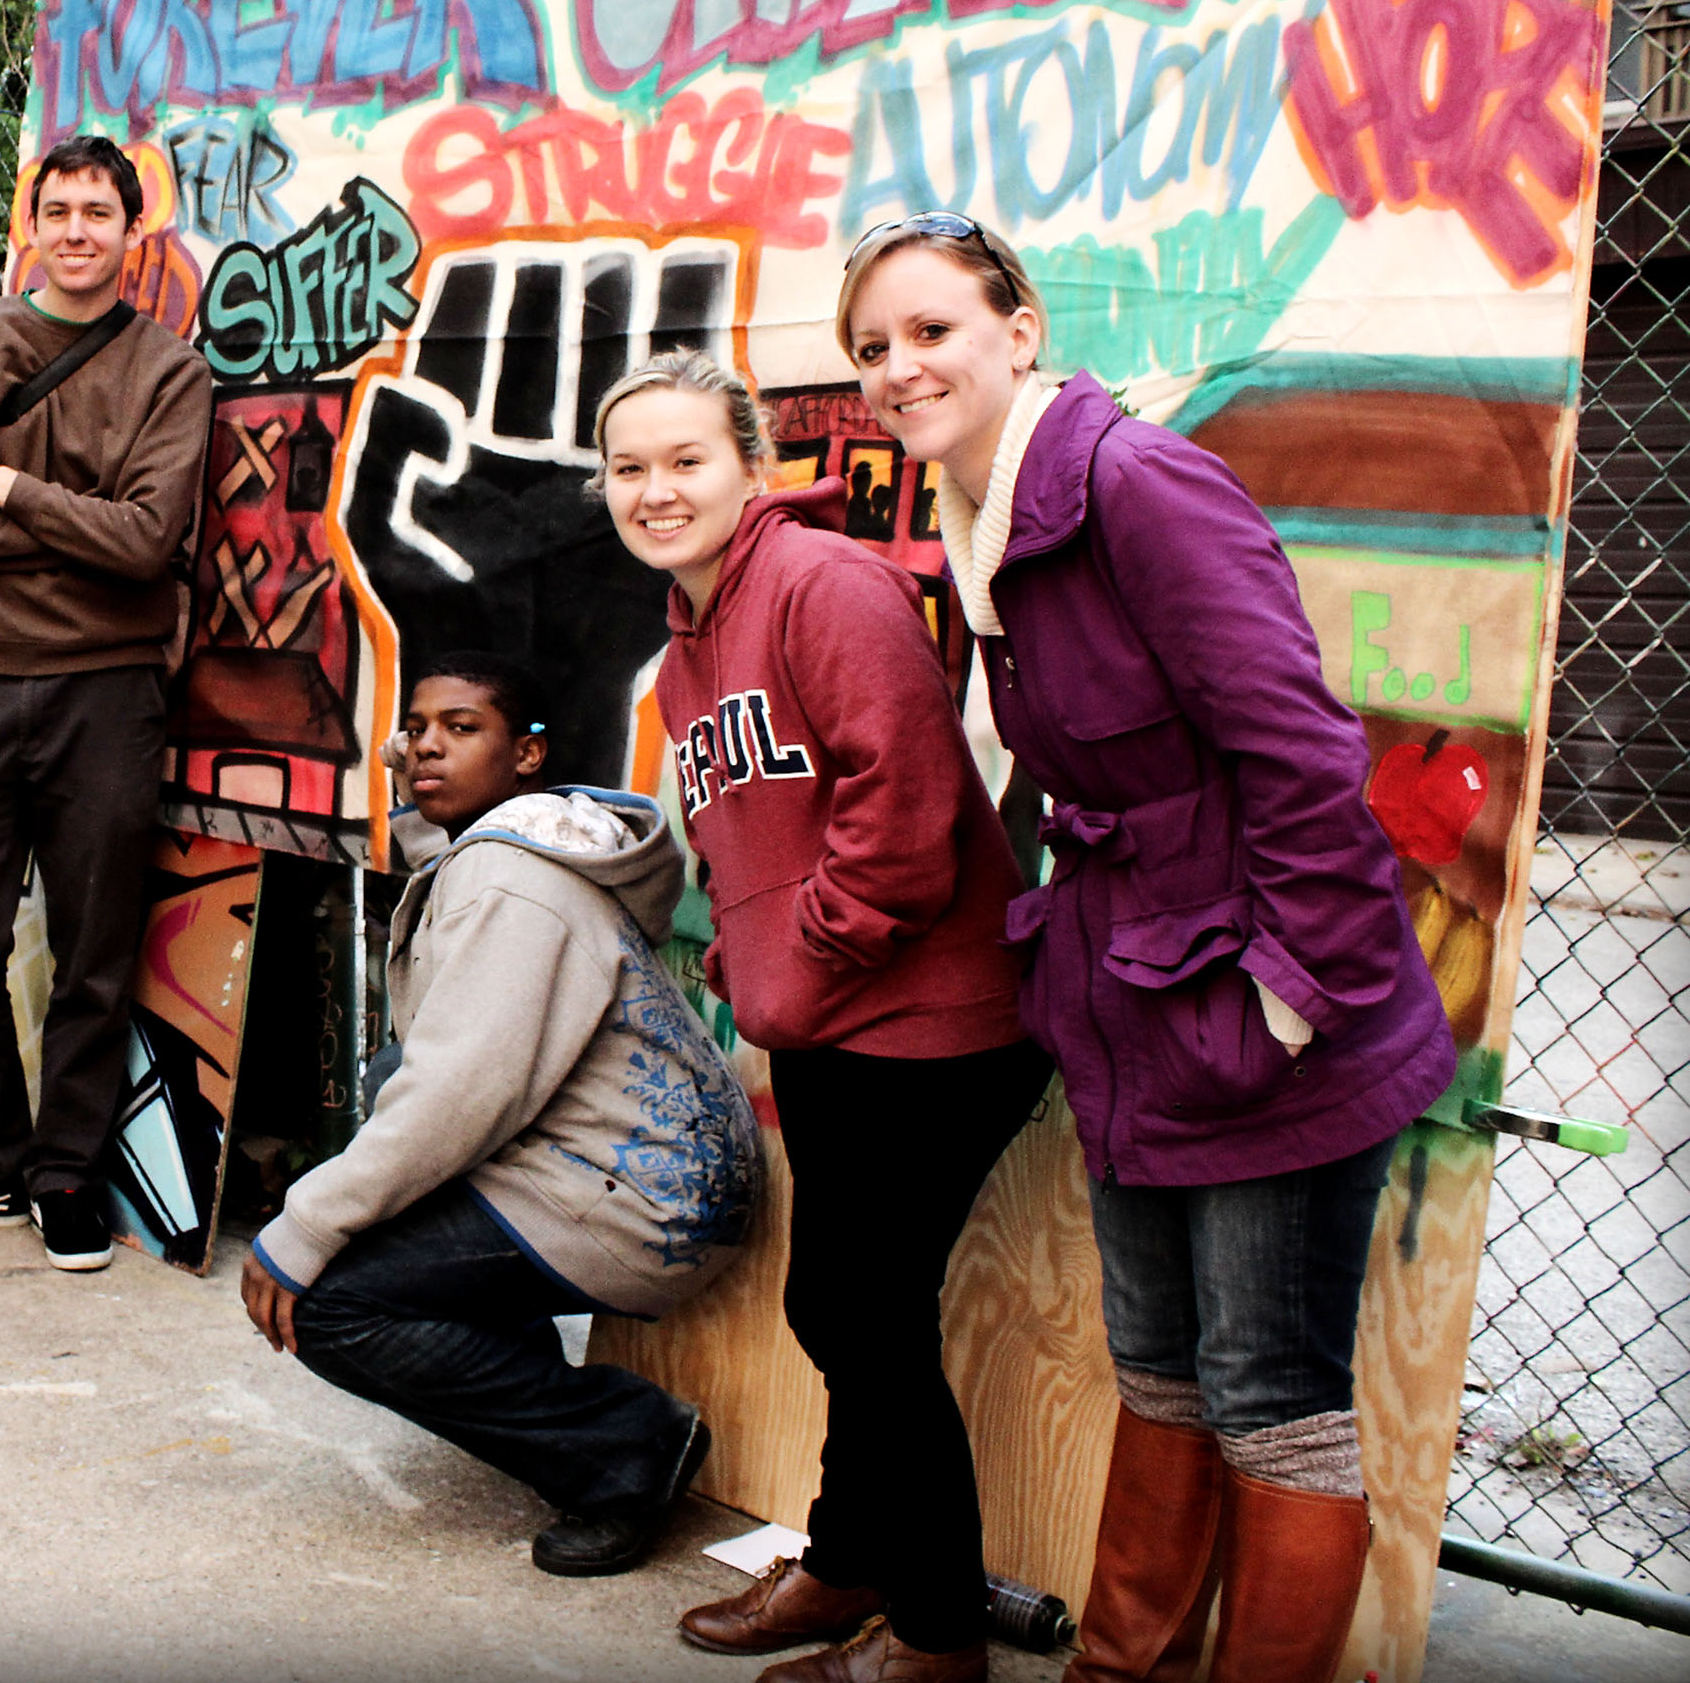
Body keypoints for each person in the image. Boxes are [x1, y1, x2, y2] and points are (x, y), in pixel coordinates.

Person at [838, 212, 1456, 1683]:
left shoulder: (1135, 484)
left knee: (1268, 1396)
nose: (899, 368)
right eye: (872, 347)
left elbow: (1305, 758)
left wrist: (1285, 1009)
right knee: (1163, 1372)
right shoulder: (987, 518)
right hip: (1137, 1009)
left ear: (1021, 328)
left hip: (1261, 1009)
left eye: (932, 330)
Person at [592, 353, 1041, 1683]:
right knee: (850, 1308)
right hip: (836, 1029)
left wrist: (801, 960)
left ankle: (938, 1637)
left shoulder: (822, 585)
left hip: (939, 1023)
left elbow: (904, 817)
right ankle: (848, 1566)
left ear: (749, 467)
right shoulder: (686, 648)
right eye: (630, 468)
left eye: (686, 461)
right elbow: (749, 841)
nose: (657, 490)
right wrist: (749, 955)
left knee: (866, 1320)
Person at [241, 653, 756, 1577]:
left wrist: (304, 1223)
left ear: (529, 755)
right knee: (395, 1071)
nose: (427, 747)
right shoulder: (513, 851)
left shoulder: (512, 881)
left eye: (463, 729)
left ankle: (624, 1449)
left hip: (644, 1205)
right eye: (418, 730)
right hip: (643, 1170)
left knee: (326, 1301)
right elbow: (445, 1065)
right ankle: (524, 1373)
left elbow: (462, 1093)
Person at [0, 134, 213, 1271]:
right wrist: (79, 522)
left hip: (108, 696)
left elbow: (151, 539)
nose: (75, 231)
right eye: (56, 210)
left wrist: (13, 486)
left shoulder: (168, 371)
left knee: (93, 949)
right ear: (32, 225)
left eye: (97, 213)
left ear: (130, 231)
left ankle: (64, 1173)